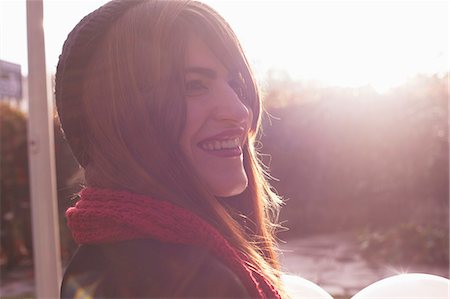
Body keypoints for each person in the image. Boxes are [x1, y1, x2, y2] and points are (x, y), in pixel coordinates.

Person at [56, 0, 285, 298]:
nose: (240, 111)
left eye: (235, 85)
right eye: (194, 85)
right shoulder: (190, 283)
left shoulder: (103, 255)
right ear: (123, 113)